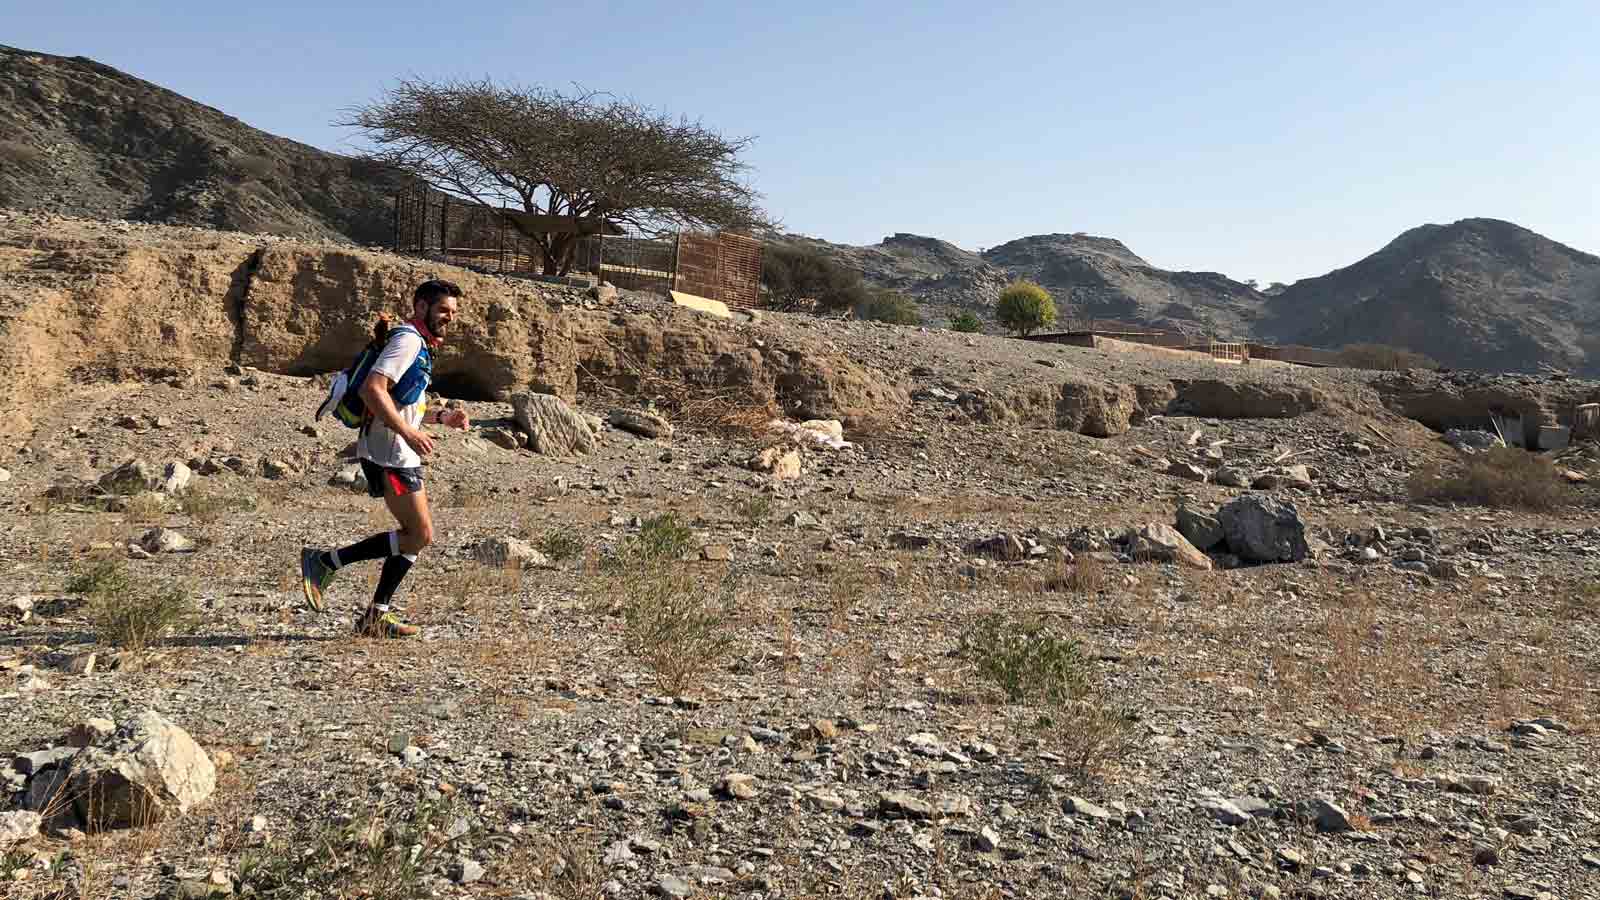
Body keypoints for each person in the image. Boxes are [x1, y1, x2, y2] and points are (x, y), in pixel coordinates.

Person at [299, 279, 470, 637]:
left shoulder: (419, 343)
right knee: (420, 534)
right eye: (443, 311)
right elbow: (372, 389)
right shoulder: (408, 340)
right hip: (389, 451)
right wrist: (408, 433)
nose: (448, 318)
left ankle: (377, 614)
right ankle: (326, 561)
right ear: (421, 306)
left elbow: (404, 402)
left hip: (395, 448)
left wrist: (441, 418)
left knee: (415, 534)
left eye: (453, 313)